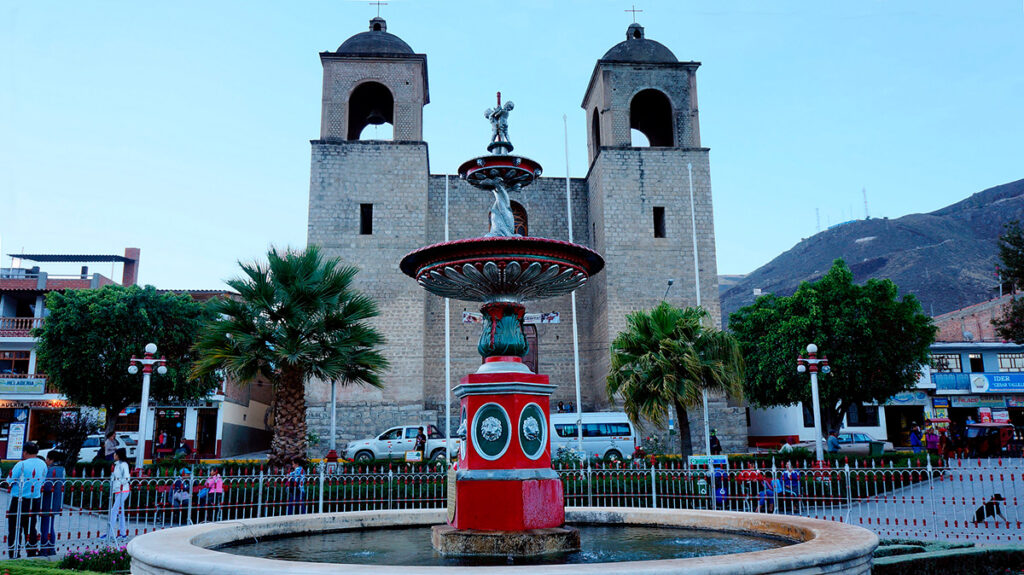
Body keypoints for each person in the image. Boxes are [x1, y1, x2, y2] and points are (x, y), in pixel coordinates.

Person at [6, 442, 46, 558]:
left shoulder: (21, 464)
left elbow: (9, 480)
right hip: (35, 500)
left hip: (19, 500)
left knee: (14, 527)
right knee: (31, 527)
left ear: (25, 452)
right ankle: (32, 552)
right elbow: (43, 480)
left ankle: (14, 553)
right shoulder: (43, 464)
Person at [39, 451, 65, 556]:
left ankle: (45, 548)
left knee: (45, 526)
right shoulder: (62, 469)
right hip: (57, 501)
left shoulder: (50, 470)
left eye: (47, 459)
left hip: (47, 501)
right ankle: (51, 548)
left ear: (51, 459)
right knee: (50, 525)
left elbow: (48, 486)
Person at [107, 447, 130, 539]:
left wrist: (120, 484)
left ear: (118, 455)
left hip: (123, 490)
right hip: (117, 490)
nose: (114, 455)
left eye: (115, 454)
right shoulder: (117, 465)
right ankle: (123, 533)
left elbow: (127, 477)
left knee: (114, 511)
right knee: (120, 512)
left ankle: (110, 534)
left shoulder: (123, 464)